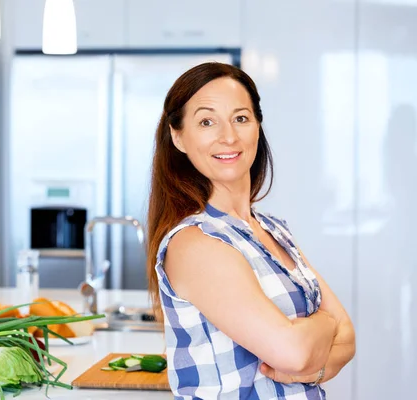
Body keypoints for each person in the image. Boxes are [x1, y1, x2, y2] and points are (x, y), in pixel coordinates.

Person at [146, 62, 355, 399]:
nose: (228, 136)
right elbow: (296, 352)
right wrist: (326, 325)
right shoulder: (194, 243)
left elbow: (349, 340)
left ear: (257, 125)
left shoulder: (273, 230)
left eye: (240, 118)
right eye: (206, 121)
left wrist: (314, 365)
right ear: (178, 136)